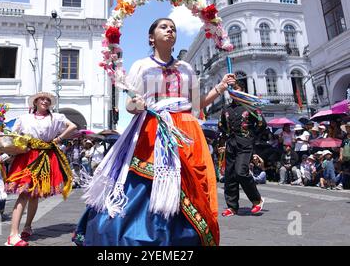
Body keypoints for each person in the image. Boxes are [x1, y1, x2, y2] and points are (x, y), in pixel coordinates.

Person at [73, 18, 236, 246]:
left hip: (186, 131)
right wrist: (137, 104)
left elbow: (198, 106)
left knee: (189, 184)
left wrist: (220, 88)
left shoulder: (187, 68)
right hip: (153, 127)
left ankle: (185, 238)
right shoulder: (141, 66)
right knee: (144, 183)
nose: (170, 30)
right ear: (151, 37)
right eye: (164, 27)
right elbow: (130, 104)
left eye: (173, 28)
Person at [5, 92, 77, 246]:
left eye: (48, 100)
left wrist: (58, 138)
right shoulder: (24, 118)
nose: (45, 101)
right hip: (27, 156)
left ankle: (28, 226)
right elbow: (12, 135)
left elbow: (73, 126)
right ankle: (13, 235)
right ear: (35, 102)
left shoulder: (56, 117)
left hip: (45, 156)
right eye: (42, 99)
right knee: (23, 193)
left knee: (34, 195)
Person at [218, 83, 266, 217]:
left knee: (241, 172)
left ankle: (257, 200)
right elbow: (221, 125)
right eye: (231, 89)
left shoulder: (250, 107)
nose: (233, 91)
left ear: (243, 91)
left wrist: (251, 136)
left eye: (237, 89)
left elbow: (262, 124)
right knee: (230, 175)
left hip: (245, 144)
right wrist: (226, 137)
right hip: (231, 144)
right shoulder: (226, 108)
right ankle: (232, 207)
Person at [338, 122, 350, 189]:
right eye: (347, 127)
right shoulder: (345, 137)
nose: (347, 128)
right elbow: (342, 147)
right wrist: (340, 155)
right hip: (346, 157)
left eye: (348, 127)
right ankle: (341, 184)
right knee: (345, 171)